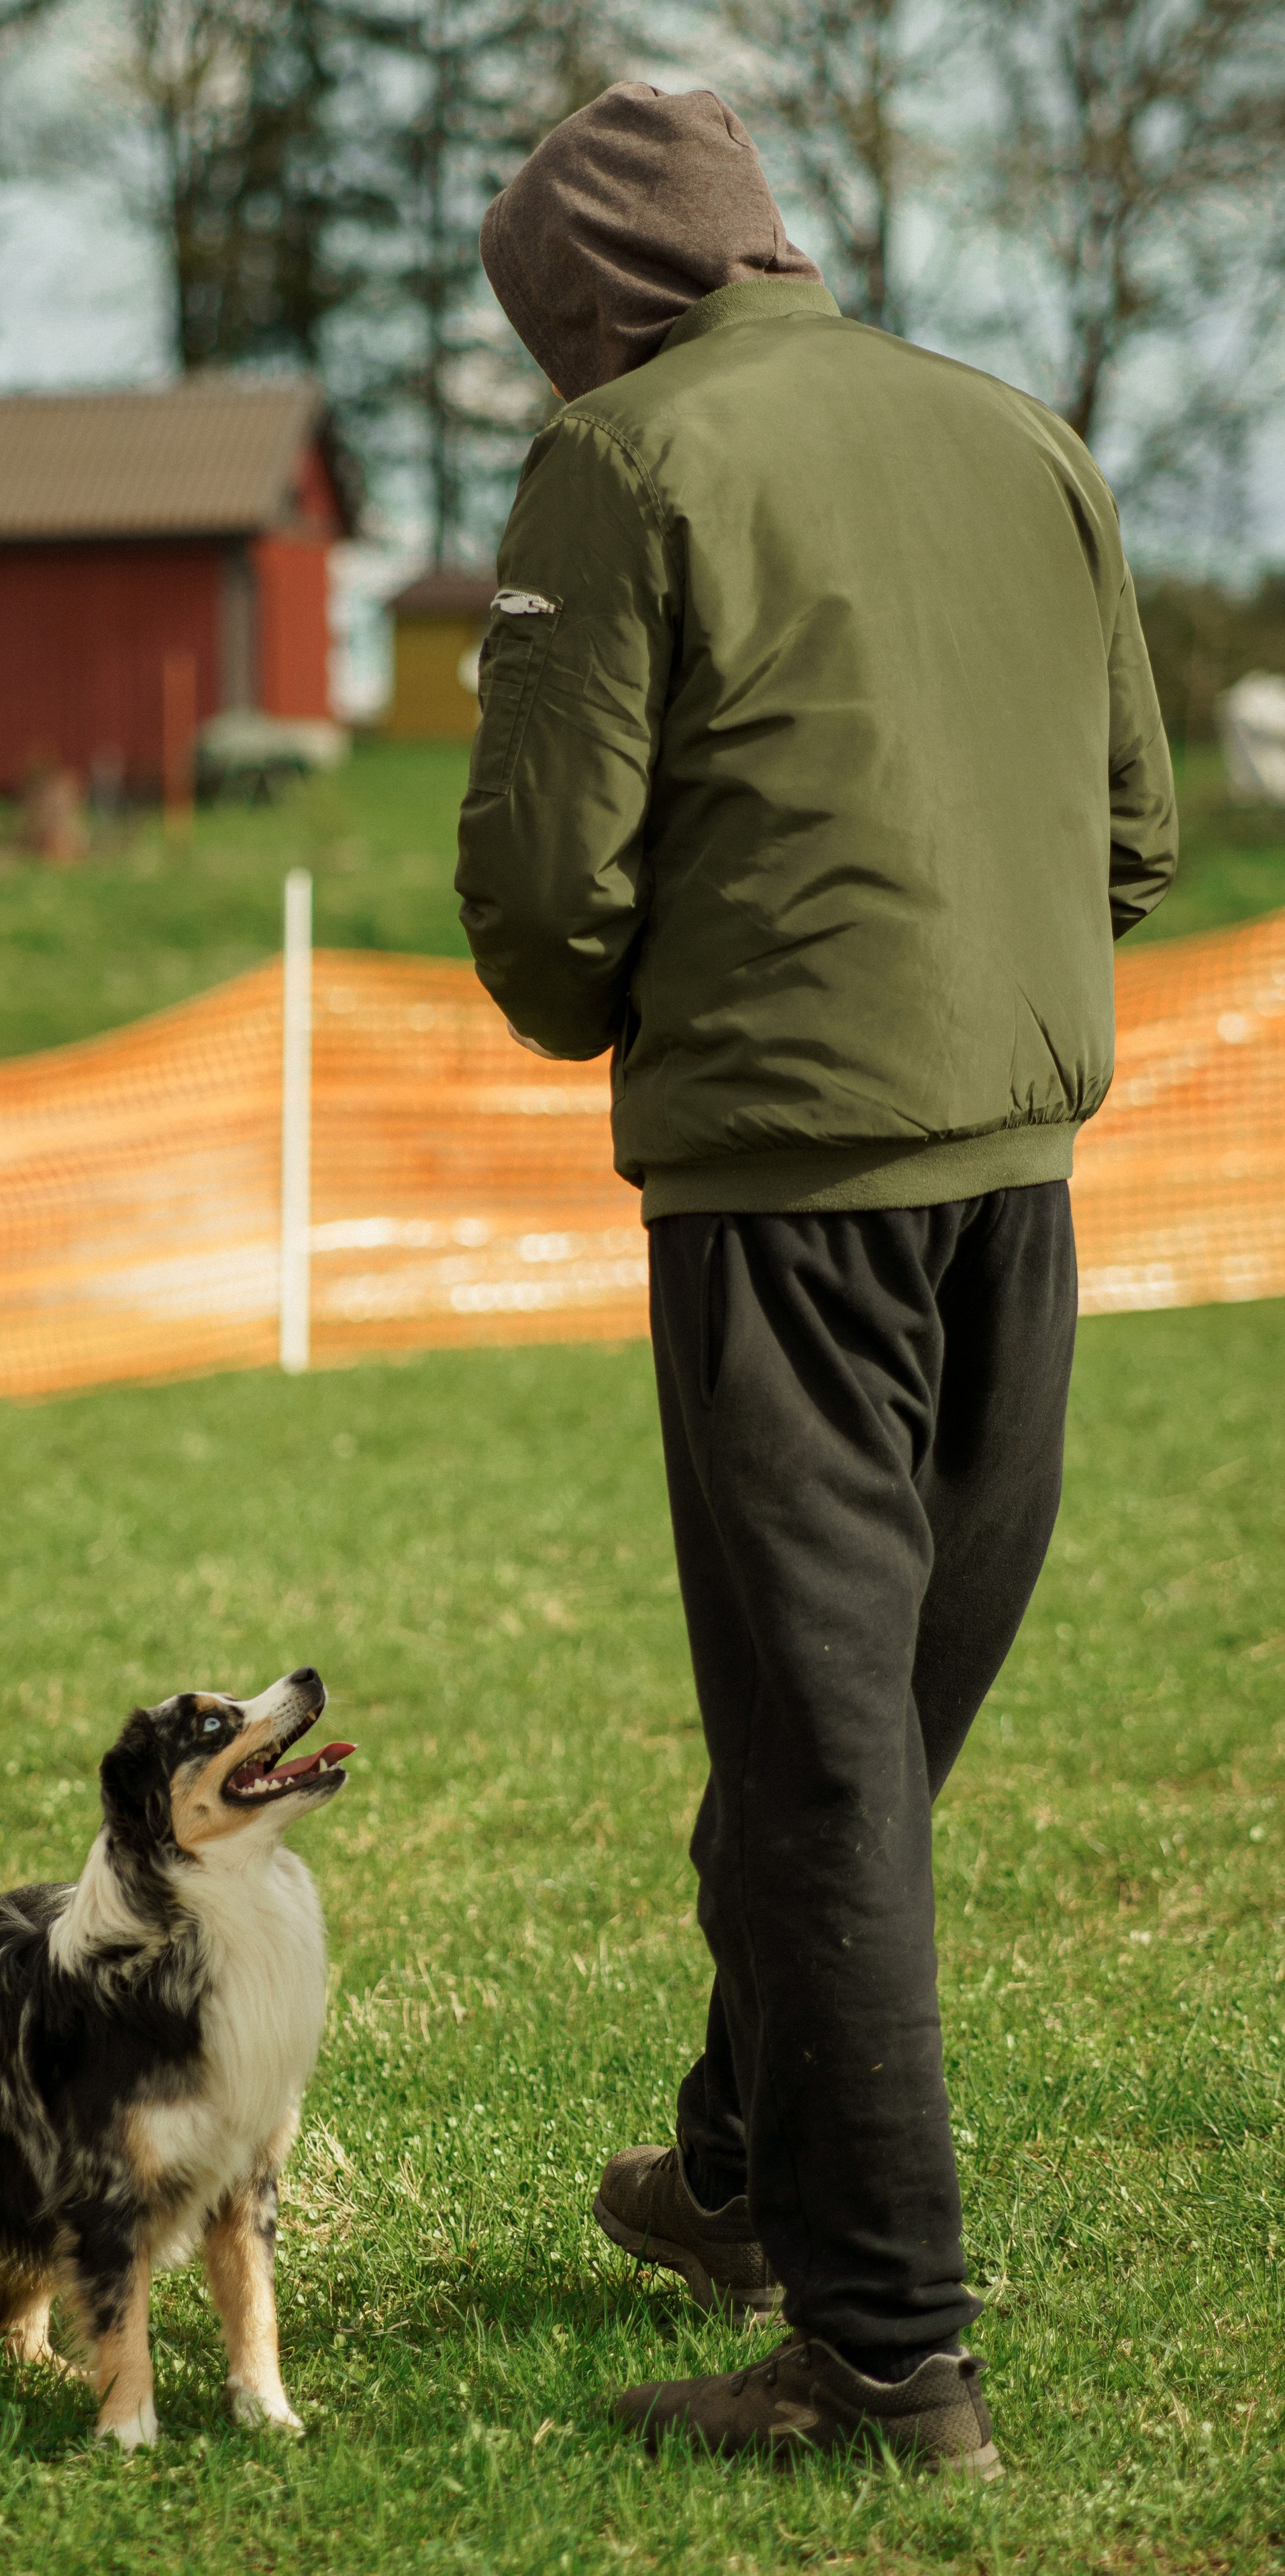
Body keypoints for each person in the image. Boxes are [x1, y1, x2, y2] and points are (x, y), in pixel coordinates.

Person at [456, 83, 1176, 2475]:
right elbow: (1136, 835)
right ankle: (743, 2173)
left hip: (788, 1201)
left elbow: (553, 897)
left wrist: (639, 1014)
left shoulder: (625, 461)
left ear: (582, 309)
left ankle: (881, 2360)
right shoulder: (1024, 435)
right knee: (857, 1740)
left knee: (822, 1768)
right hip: (1023, 1179)